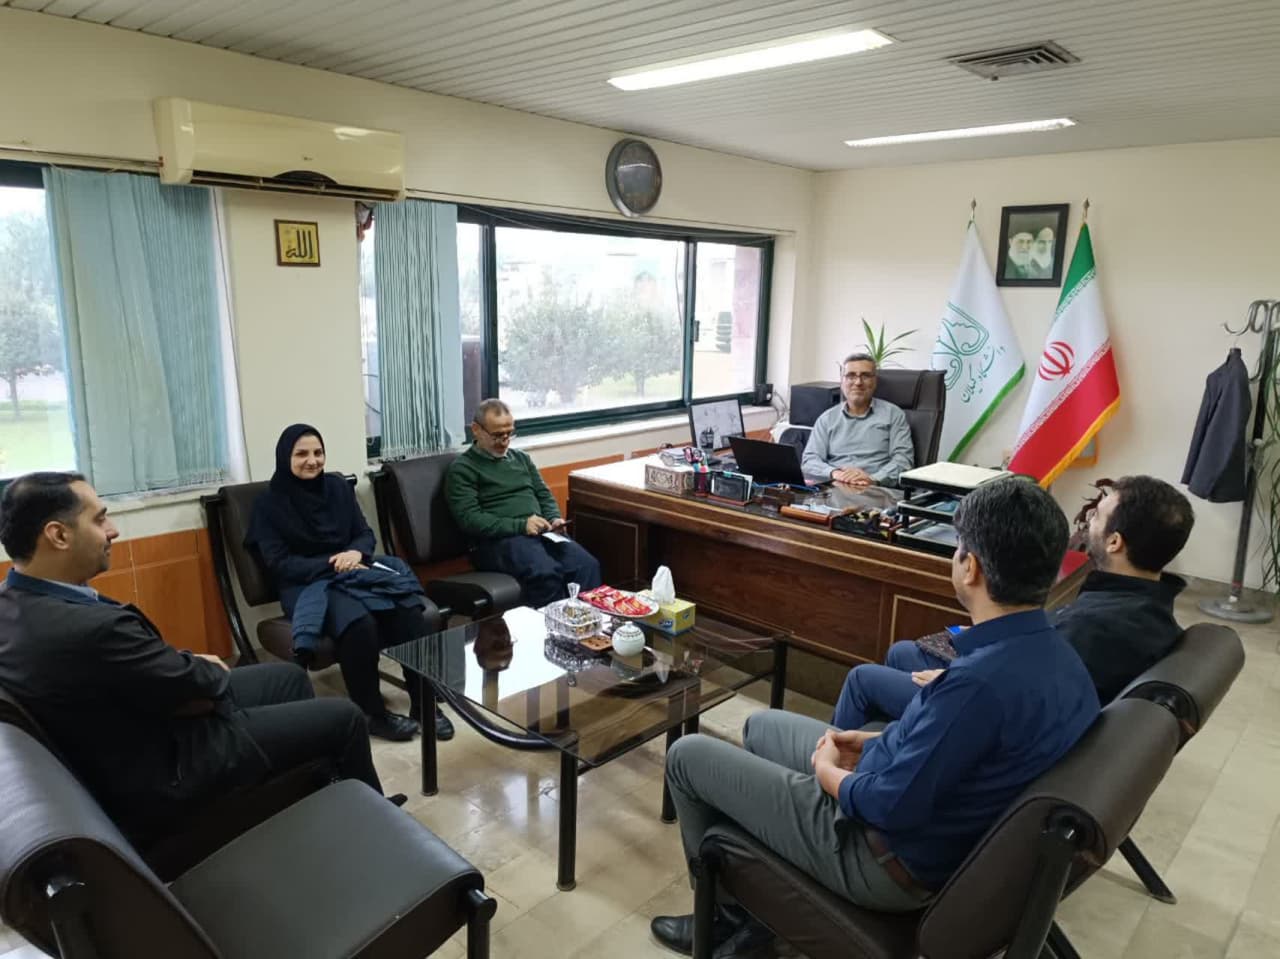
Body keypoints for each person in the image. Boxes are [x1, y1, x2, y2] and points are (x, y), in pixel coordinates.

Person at [651, 478, 1099, 956]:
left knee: (687, 756)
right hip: (927, 819)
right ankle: (755, 905)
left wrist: (829, 775)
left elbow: (888, 805)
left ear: (969, 567)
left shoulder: (977, 685)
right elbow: (954, 751)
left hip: (883, 858)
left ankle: (718, 920)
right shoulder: (1063, 660)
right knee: (761, 726)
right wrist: (874, 743)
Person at [0, 471, 390, 843]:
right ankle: (376, 832)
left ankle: (312, 797)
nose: (113, 530)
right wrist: (202, 668)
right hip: (171, 763)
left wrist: (189, 669)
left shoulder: (15, 602)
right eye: (100, 519)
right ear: (59, 535)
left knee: (287, 677)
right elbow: (198, 685)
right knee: (344, 717)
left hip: (143, 728)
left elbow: (142, 673)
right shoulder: (90, 629)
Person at [833, 475, 1194, 730]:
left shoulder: (1097, 627)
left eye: (1097, 516)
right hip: (1004, 679)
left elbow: (1024, 696)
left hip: (988, 708)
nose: (1087, 520)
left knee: (863, 679)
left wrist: (950, 681)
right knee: (902, 653)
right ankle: (899, 736)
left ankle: (856, 768)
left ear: (1115, 542)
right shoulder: (1146, 607)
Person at [247, 424, 452, 742]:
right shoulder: (268, 504)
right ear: (285, 457)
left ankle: (423, 702)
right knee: (359, 622)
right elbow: (279, 564)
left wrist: (355, 553)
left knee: (409, 610)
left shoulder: (338, 487)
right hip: (306, 585)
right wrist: (332, 563)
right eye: (301, 454)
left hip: (354, 573)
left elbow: (364, 534)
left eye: (318, 452)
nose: (312, 460)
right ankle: (372, 714)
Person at [445, 399, 602, 608]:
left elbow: (543, 494)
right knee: (546, 573)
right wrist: (521, 525)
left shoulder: (521, 459)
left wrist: (554, 518)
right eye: (497, 435)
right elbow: (470, 519)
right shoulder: (463, 469)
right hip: (497, 541)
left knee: (587, 565)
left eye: (509, 434)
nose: (504, 441)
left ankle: (584, 623)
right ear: (476, 430)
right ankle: (552, 626)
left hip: (539, 533)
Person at [800, 353, 914, 488]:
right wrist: (835, 473)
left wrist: (873, 479)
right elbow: (809, 461)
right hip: (834, 487)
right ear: (842, 382)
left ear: (875, 381)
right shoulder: (827, 418)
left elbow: (903, 461)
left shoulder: (893, 415)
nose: (858, 382)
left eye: (865, 376)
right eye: (851, 376)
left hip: (875, 489)